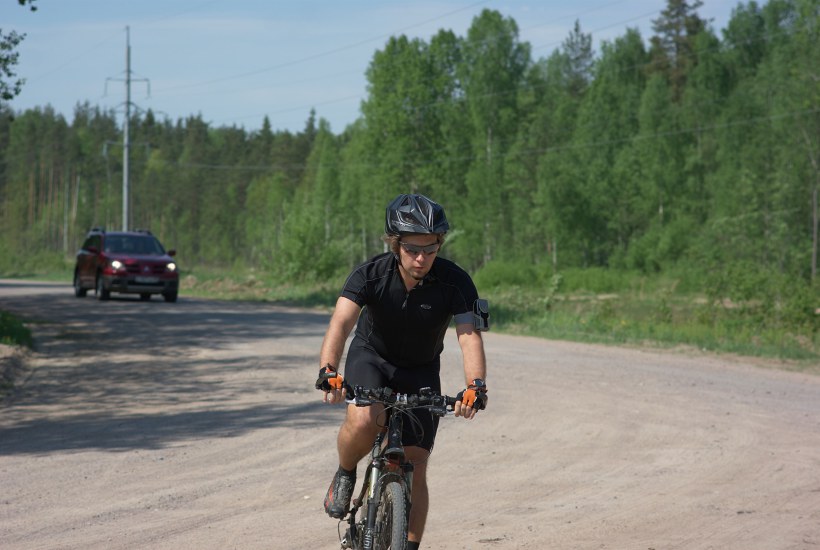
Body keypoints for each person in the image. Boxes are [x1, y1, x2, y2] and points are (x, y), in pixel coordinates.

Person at [316, 193, 489, 550]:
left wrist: (476, 385)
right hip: (372, 357)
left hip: (421, 369)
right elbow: (341, 322)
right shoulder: (370, 274)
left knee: (416, 463)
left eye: (430, 248)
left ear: (439, 244)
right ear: (395, 244)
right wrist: (328, 369)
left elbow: (469, 335)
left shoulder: (456, 281)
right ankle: (346, 472)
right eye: (412, 249)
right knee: (363, 420)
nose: (421, 258)